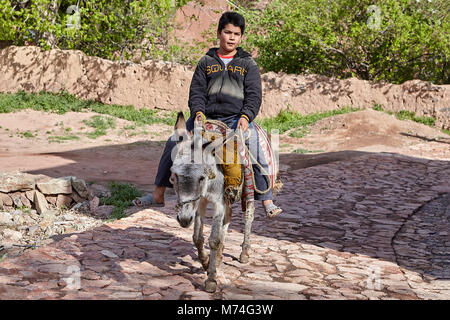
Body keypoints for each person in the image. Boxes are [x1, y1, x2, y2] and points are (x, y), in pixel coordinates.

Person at [133, 11, 282, 218]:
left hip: (236, 119)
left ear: (241, 37)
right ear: (219, 33)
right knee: (173, 141)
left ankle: (266, 198)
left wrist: (246, 117)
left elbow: (254, 96)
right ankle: (159, 193)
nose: (231, 37)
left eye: (236, 34)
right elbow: (196, 93)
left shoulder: (248, 64)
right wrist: (198, 113)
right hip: (206, 118)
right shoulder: (206, 61)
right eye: (227, 32)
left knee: (258, 144)